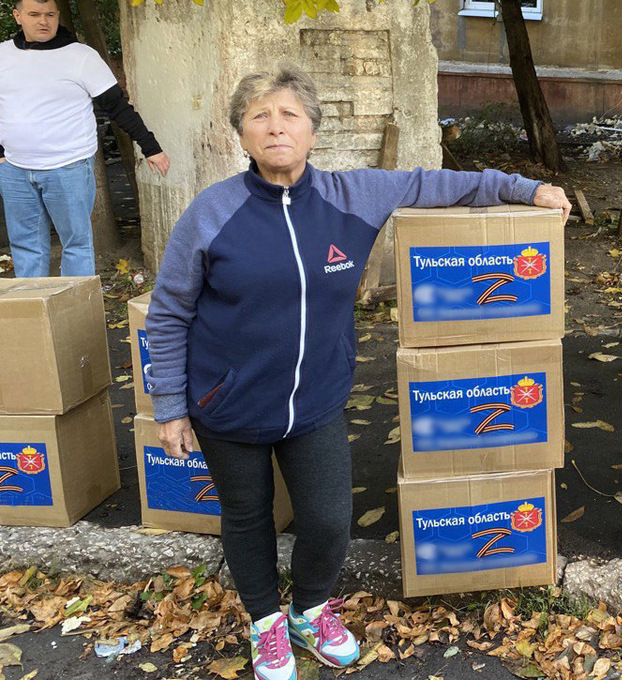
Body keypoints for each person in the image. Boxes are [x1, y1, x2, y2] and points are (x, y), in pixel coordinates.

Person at [144, 66, 570, 680]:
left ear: (313, 130)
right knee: (246, 515)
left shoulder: (353, 196)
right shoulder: (212, 213)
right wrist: (170, 405)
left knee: (326, 518)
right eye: (259, 115)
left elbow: (435, 182)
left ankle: (309, 609)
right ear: (241, 134)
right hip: (227, 402)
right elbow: (169, 311)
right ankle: (266, 624)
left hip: (314, 401)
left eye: (289, 114)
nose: (275, 126)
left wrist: (523, 189)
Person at [0, 0, 169, 276]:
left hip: (68, 167)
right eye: (34, 14)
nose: (43, 21)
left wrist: (150, 147)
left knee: (75, 244)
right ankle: (34, 316)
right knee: (25, 245)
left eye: (50, 14)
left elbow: (118, 106)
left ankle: (74, 317)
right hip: (15, 168)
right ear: (17, 16)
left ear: (58, 16)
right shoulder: (3, 54)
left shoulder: (80, 56)